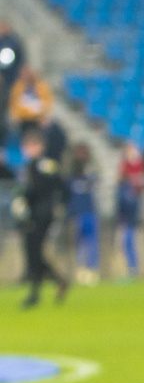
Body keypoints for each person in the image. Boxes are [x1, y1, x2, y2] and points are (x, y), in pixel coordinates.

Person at [15, 129, 69, 308]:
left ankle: (35, 294)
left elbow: (58, 187)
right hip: (33, 214)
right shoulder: (31, 166)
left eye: (30, 146)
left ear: (39, 146)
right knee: (33, 252)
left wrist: (59, 206)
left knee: (34, 251)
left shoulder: (44, 165)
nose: (27, 150)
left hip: (42, 214)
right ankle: (58, 280)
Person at [67, 144, 99, 281]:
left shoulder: (90, 173)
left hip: (89, 212)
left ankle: (92, 269)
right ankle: (81, 270)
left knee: (92, 242)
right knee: (80, 243)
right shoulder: (71, 176)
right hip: (78, 214)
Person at [116, 142, 144, 276]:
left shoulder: (131, 186)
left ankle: (132, 268)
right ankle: (130, 268)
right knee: (125, 243)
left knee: (129, 242)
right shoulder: (123, 185)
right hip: (126, 218)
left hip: (131, 218)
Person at [0, 19, 25, 147]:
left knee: (11, 111)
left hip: (12, 81)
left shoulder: (14, 42)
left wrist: (16, 77)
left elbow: (20, 61)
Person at [8, 66, 52, 134]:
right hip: (23, 119)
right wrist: (15, 116)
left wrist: (45, 116)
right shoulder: (18, 87)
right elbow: (13, 103)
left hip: (38, 119)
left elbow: (47, 103)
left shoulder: (42, 87)